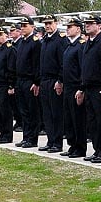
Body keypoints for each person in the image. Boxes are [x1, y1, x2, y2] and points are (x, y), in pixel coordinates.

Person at [76, 14, 101, 164]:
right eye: (86, 23)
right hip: (89, 88)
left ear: (99, 26)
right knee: (92, 122)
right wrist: (82, 88)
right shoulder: (88, 43)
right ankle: (97, 150)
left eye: (91, 23)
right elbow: (85, 68)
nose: (87, 25)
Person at [39, 14, 66, 153]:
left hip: (54, 80)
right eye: (45, 24)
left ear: (56, 23)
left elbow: (62, 63)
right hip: (44, 80)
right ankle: (50, 141)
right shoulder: (45, 40)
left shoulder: (60, 40)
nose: (48, 26)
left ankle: (57, 142)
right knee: (47, 113)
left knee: (56, 113)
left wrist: (60, 80)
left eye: (50, 23)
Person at [61, 18, 88, 158]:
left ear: (78, 29)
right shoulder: (69, 45)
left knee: (78, 119)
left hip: (76, 86)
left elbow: (82, 69)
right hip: (67, 86)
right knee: (69, 118)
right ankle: (72, 145)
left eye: (71, 27)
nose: (68, 29)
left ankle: (80, 147)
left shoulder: (80, 45)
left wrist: (81, 88)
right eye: (67, 26)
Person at [15, 17, 42, 148]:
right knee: (23, 111)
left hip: (30, 81)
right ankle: (26, 136)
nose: (23, 28)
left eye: (25, 25)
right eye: (21, 25)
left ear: (32, 26)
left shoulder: (35, 42)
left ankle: (32, 138)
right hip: (20, 80)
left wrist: (36, 82)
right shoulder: (21, 42)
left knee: (32, 111)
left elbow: (37, 64)